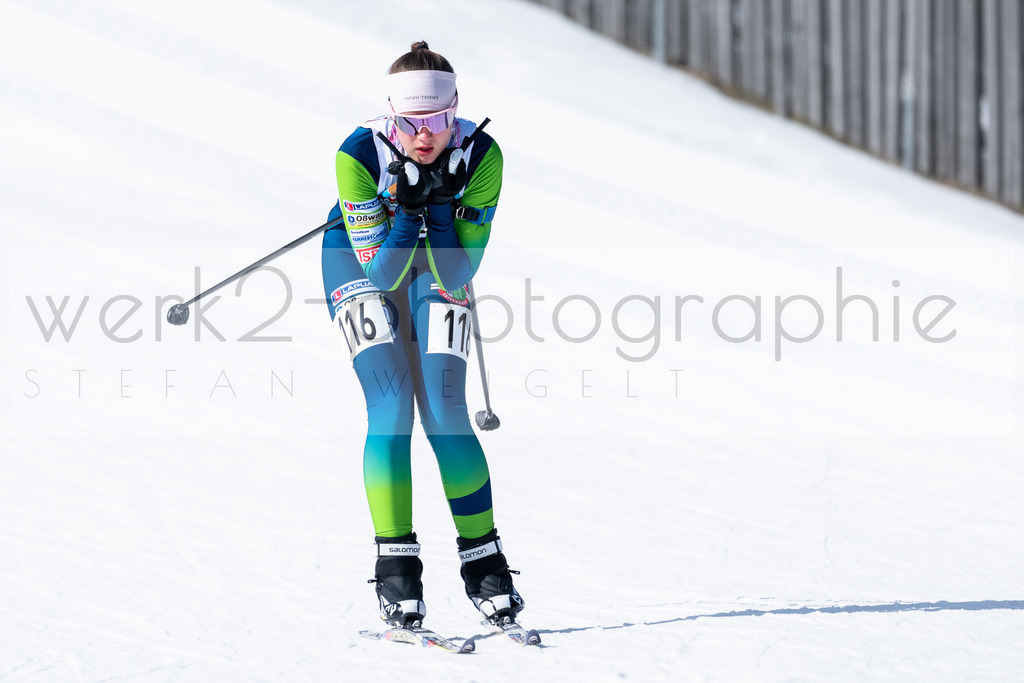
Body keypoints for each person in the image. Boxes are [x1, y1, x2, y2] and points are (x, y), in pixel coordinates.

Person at [320, 41, 524, 630]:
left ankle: (484, 562)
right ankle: (396, 570)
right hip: (358, 261)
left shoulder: (481, 155)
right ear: (391, 115)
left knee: (445, 406)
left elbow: (457, 272)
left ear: (456, 109)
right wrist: (409, 210)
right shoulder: (359, 154)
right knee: (391, 403)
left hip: (438, 259)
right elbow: (382, 273)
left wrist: (436, 207)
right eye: (410, 123)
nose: (426, 135)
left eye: (438, 119)